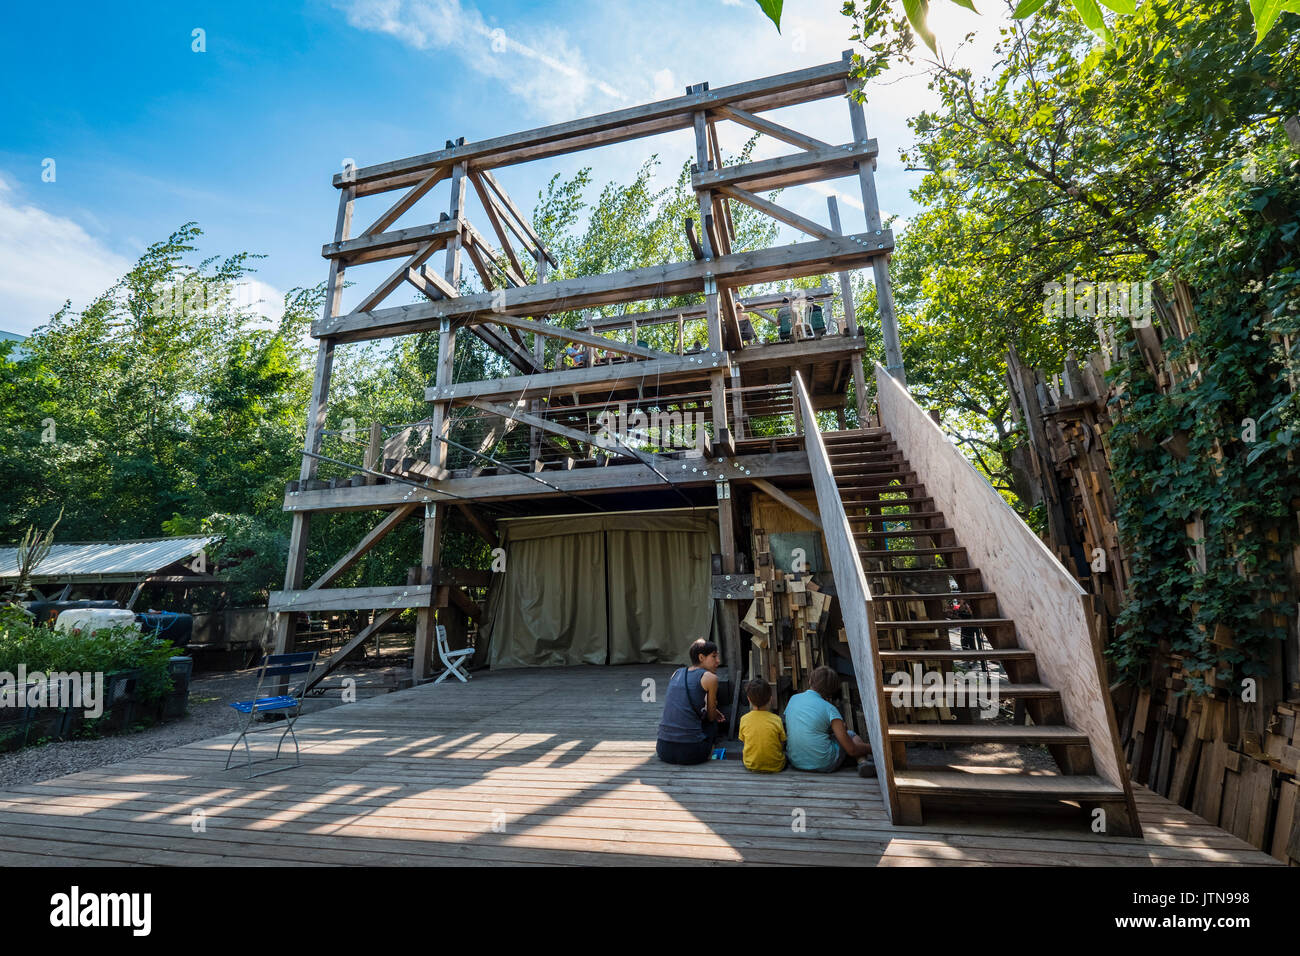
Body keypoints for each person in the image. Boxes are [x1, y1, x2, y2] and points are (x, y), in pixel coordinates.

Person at [784, 666, 874, 776]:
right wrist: (873, 749)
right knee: (850, 735)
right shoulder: (830, 709)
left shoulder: (793, 699)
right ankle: (862, 762)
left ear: (810, 680)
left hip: (796, 762)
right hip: (824, 763)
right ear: (832, 691)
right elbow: (851, 750)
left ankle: (862, 763)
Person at [656, 638, 727, 765]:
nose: (718, 661)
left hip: (663, 750)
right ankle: (710, 750)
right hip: (691, 753)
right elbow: (711, 717)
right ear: (701, 657)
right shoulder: (710, 678)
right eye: (714, 656)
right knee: (712, 724)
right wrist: (713, 711)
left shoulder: (676, 673)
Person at [738, 677, 785, 773]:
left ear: (749, 699)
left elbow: (744, 741)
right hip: (776, 765)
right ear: (771, 699)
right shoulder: (777, 720)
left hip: (751, 764)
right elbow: (782, 742)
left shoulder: (744, 719)